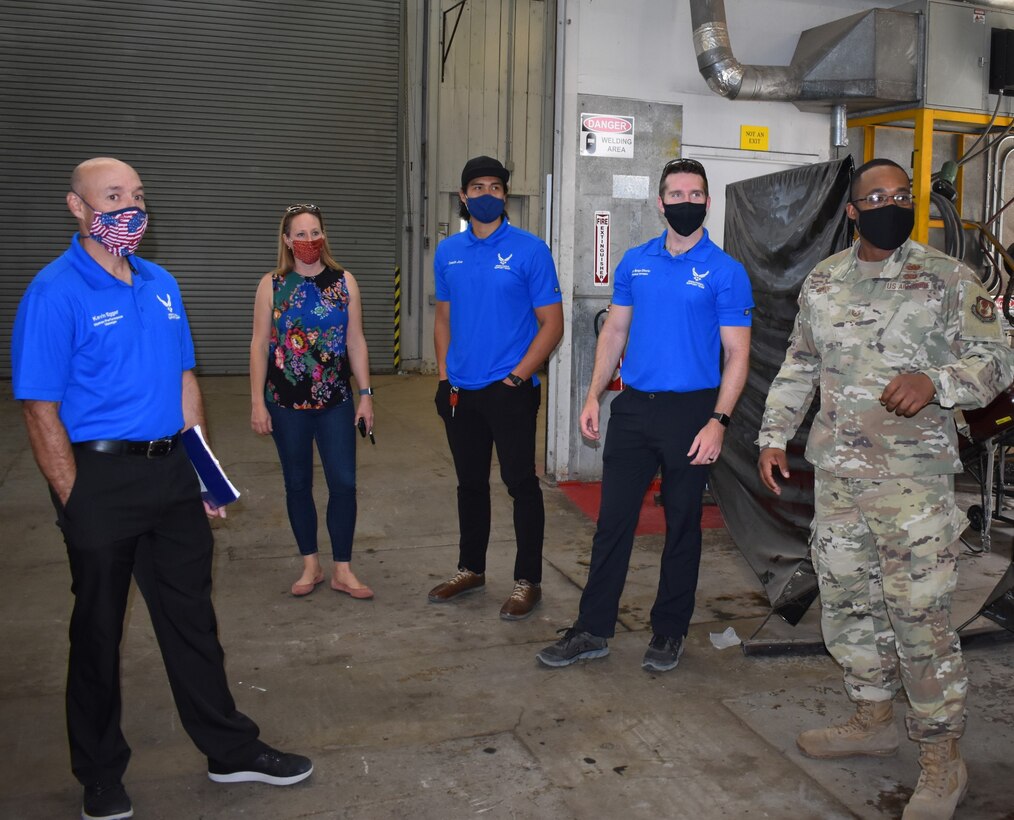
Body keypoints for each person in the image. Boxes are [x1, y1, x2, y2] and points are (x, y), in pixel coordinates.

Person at [11, 158, 312, 820]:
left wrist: (204, 475)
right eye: (112, 197)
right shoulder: (54, 292)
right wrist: (75, 503)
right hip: (101, 479)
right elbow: (39, 408)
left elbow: (184, 383)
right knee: (97, 632)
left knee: (192, 620)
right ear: (78, 208)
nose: (131, 208)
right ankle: (98, 771)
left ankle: (228, 749)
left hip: (172, 474)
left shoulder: (161, 283)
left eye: (138, 196)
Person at [757, 158, 1014, 820]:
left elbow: (997, 359)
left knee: (920, 621)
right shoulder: (825, 281)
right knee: (847, 608)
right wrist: (772, 436)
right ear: (853, 210)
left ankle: (940, 758)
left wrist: (938, 382)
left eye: (902, 195)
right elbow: (800, 363)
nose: (890, 204)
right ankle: (871, 720)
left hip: (914, 489)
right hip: (840, 482)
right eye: (876, 196)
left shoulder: (950, 279)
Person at [537, 158, 753, 672]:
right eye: (675, 194)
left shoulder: (726, 272)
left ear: (707, 200)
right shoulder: (635, 261)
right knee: (613, 524)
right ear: (660, 203)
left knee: (682, 526)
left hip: (692, 411)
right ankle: (592, 629)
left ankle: (669, 631)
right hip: (633, 409)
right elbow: (613, 332)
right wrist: (593, 395)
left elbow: (738, 355)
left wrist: (718, 421)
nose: (684, 202)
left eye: (694, 194)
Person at [429, 155, 564, 620]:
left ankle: (528, 580)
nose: (487, 195)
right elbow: (443, 318)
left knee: (520, 484)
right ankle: (471, 569)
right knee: (469, 484)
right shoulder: (448, 252)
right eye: (477, 188)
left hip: (510, 388)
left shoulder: (530, 250)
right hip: (461, 389)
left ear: (505, 195)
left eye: (496, 187)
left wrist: (517, 377)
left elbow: (552, 324)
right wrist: (444, 377)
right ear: (463, 197)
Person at [250, 204, 374, 600]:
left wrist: (366, 396)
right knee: (297, 484)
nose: (308, 241)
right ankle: (310, 565)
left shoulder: (344, 282)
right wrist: (257, 402)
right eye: (300, 234)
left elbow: (355, 341)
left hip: (336, 401)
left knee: (344, 483)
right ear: (286, 240)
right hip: (285, 405)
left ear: (324, 235)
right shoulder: (271, 284)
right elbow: (258, 346)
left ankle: (342, 569)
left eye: (314, 232)